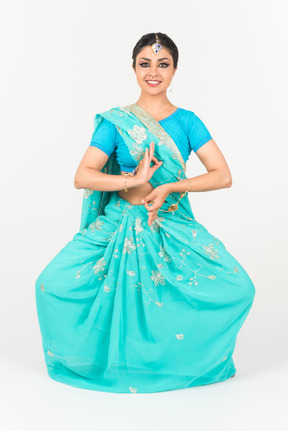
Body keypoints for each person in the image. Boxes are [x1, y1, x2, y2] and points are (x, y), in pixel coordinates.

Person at [35, 32, 256, 394]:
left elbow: (222, 175)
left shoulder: (187, 122)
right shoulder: (116, 122)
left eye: (163, 64)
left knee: (238, 288)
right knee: (50, 283)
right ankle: (95, 362)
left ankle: (180, 363)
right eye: (145, 64)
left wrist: (169, 187)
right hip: (117, 225)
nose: (154, 72)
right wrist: (132, 179)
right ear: (134, 68)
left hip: (170, 223)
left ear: (174, 70)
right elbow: (83, 176)